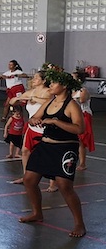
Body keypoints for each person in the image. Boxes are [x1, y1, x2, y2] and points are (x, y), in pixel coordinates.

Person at [19, 69, 86, 238]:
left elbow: (79, 128)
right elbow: (34, 117)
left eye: (54, 83)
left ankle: (79, 224)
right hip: (45, 147)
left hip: (64, 149)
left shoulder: (72, 105)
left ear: (64, 86)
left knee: (65, 186)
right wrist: (35, 120)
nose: (51, 85)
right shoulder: (50, 102)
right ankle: (37, 213)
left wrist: (56, 121)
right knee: (29, 180)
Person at [8, 70, 51, 185]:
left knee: (47, 155)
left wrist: (34, 99)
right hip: (32, 128)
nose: (34, 80)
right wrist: (17, 99)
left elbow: (50, 102)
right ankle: (26, 176)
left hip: (44, 128)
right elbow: (12, 101)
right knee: (25, 151)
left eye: (36, 78)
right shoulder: (31, 92)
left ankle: (53, 182)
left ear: (44, 81)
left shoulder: (48, 92)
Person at [72, 69, 94, 171]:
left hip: (84, 114)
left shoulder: (83, 90)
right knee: (75, 139)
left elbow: (82, 100)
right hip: (75, 115)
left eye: (73, 78)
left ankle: (82, 163)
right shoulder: (71, 90)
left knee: (81, 139)